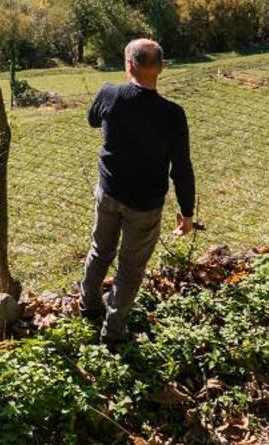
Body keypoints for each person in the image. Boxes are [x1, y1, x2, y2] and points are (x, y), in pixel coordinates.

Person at [79, 37, 197, 342]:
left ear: (128, 65)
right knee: (131, 269)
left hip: (109, 192)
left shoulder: (110, 94)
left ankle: (88, 305)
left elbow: (93, 119)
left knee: (99, 250)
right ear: (160, 68)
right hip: (145, 204)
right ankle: (114, 332)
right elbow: (181, 167)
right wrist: (186, 212)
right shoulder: (173, 114)